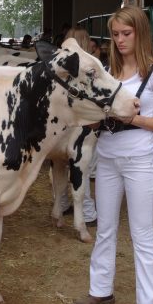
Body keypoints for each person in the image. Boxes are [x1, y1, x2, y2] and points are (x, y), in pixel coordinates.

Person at [72, 5, 153, 304]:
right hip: (106, 157)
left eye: (126, 33)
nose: (120, 40)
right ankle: (101, 289)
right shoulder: (106, 72)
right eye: (116, 34)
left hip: (139, 160)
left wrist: (134, 119)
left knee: (142, 235)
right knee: (105, 227)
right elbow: (92, 117)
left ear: (140, 33)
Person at [58, 26, 98, 227]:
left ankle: (62, 204)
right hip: (83, 124)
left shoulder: (60, 71)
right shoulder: (90, 72)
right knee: (83, 165)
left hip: (60, 126)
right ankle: (88, 212)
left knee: (59, 166)